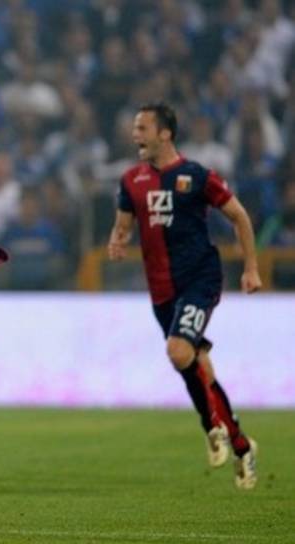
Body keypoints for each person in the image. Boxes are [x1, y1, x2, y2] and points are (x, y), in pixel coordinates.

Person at [107, 102, 260, 490]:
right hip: (160, 289)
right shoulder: (131, 180)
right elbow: (124, 223)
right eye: (134, 128)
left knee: (178, 352)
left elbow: (239, 216)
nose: (135, 135)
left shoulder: (196, 176)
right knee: (196, 363)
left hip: (199, 279)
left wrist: (251, 268)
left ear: (165, 133)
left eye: (142, 128)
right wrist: (117, 239)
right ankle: (242, 446)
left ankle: (211, 426)